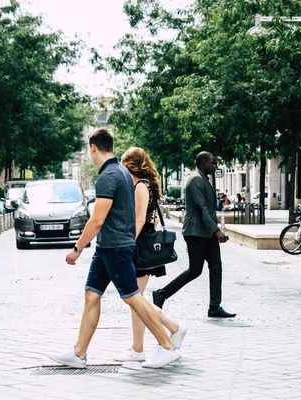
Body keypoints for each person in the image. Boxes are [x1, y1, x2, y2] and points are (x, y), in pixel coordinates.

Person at [48, 129, 181, 369]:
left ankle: (167, 346)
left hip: (115, 248)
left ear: (93, 148)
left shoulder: (108, 176)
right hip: (107, 248)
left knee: (132, 298)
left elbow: (97, 220)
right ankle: (79, 354)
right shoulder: (120, 171)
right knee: (91, 294)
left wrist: (77, 248)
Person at [114, 147, 188, 362]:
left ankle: (172, 329)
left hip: (139, 249)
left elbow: (139, 220)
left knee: (135, 299)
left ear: (130, 165)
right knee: (136, 299)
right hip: (141, 246)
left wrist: (127, 244)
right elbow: (151, 218)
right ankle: (139, 347)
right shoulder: (145, 184)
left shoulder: (140, 186)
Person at [152, 151, 236, 318]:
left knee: (216, 267)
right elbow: (200, 208)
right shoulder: (195, 179)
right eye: (212, 162)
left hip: (207, 232)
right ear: (204, 163)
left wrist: (214, 230)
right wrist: (217, 231)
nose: (215, 165)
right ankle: (161, 294)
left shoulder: (203, 178)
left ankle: (214, 307)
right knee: (195, 270)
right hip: (196, 232)